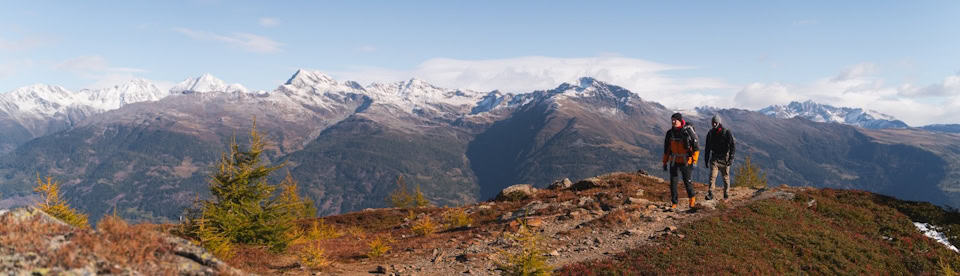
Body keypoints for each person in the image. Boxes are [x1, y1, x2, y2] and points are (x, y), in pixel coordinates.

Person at [662, 112, 699, 210]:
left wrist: (694, 161)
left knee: (687, 182)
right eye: (672, 120)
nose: (673, 122)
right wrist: (665, 162)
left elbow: (696, 148)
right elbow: (667, 149)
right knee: (673, 183)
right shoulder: (670, 133)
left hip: (686, 160)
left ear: (680, 120)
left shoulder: (687, 132)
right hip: (674, 160)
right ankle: (674, 203)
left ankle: (692, 201)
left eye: (675, 120)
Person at [703, 115, 735, 201]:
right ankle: (710, 193)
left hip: (725, 158)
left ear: (719, 122)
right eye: (712, 122)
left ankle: (726, 194)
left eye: (715, 122)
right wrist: (706, 160)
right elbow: (707, 148)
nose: (713, 124)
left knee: (725, 177)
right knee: (712, 176)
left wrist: (731, 158)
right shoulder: (710, 134)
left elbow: (732, 146)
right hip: (715, 158)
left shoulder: (726, 132)